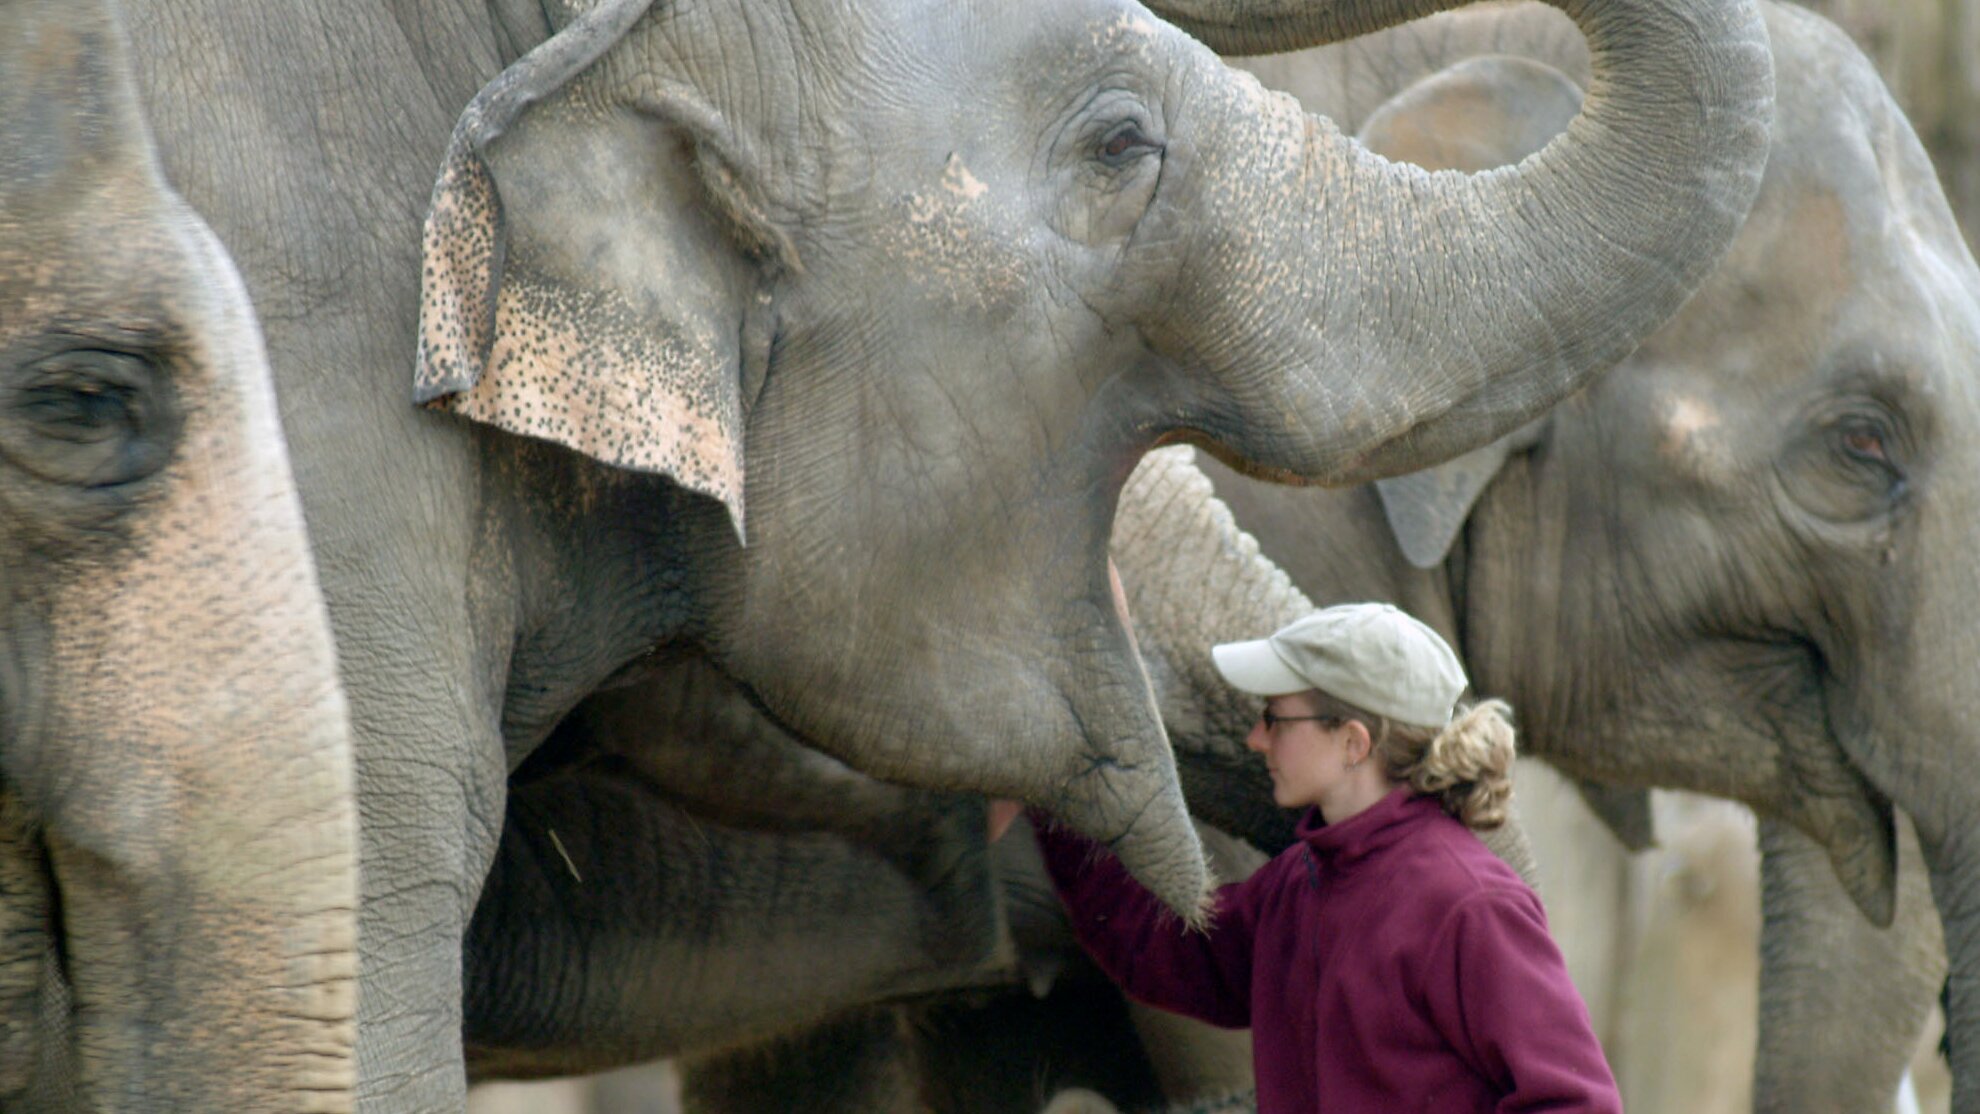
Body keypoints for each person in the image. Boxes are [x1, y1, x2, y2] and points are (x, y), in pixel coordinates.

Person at [1029, 602, 1621, 1113]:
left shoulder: (1471, 904)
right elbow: (1164, 952)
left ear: (1353, 743)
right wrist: (1057, 795)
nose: (1256, 739)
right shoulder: (1299, 882)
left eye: (1276, 719)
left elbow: (1575, 1102)